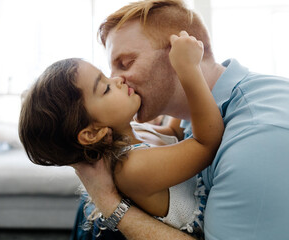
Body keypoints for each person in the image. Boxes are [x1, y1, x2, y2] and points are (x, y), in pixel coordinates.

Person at [72, 0, 289, 239]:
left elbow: (204, 141)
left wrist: (108, 201)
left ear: (178, 52)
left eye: (126, 64)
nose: (118, 80)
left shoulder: (256, 143)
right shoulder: (199, 107)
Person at [19, 31, 223, 238]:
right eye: (105, 88)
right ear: (91, 133)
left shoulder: (135, 134)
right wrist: (188, 70)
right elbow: (206, 143)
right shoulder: (133, 167)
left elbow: (175, 133)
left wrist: (170, 70)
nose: (117, 80)